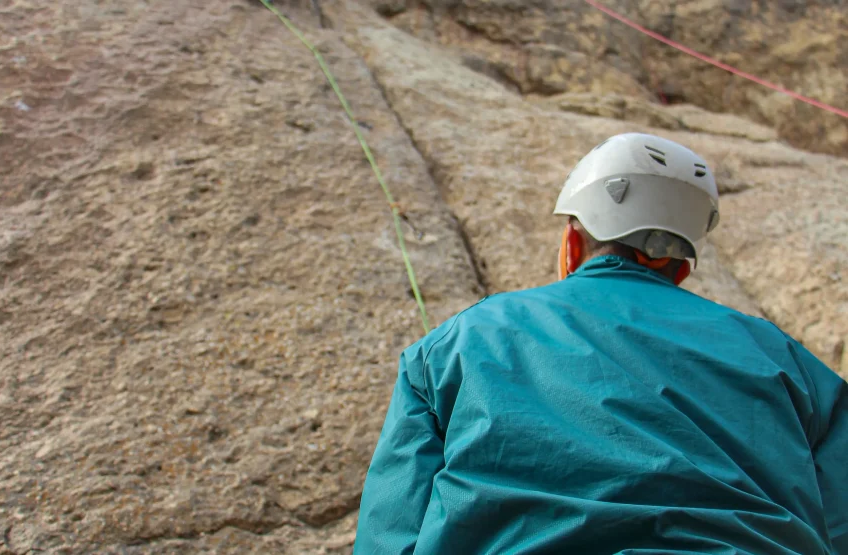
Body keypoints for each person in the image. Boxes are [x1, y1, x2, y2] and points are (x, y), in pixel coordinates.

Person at [352, 133, 847, 555]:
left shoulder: (455, 343)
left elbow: (391, 530)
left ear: (571, 243)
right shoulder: (783, 358)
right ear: (680, 267)